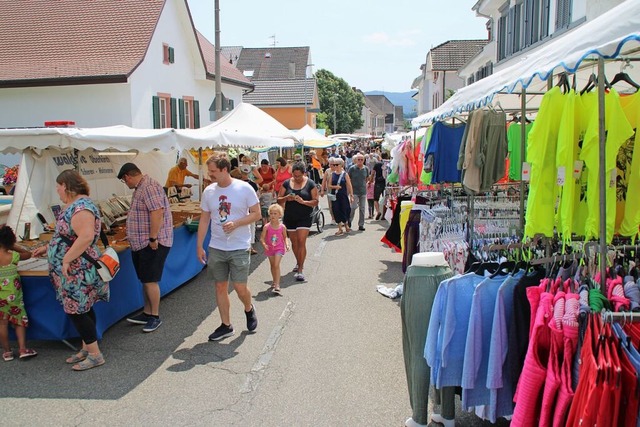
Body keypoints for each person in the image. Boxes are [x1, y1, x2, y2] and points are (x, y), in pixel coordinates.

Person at [32, 170, 109, 370]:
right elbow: (69, 237)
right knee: (84, 308)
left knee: (76, 310)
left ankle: (94, 354)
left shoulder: (81, 207)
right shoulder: (78, 206)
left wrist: (66, 259)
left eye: (58, 187)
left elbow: (85, 236)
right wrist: (49, 248)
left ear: (65, 185)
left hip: (77, 270)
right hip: (77, 269)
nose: (57, 191)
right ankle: (87, 346)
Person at [197, 156, 261, 341]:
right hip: (216, 246)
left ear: (224, 170)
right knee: (220, 286)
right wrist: (199, 245)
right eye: (209, 172)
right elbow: (204, 219)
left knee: (240, 287)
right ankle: (226, 325)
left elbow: (257, 214)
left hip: (239, 246)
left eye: (213, 171)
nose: (210, 175)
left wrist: (236, 223)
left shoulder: (244, 188)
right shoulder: (209, 192)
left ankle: (248, 308)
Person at [118, 163, 173, 333]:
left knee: (150, 280)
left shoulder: (148, 187)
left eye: (123, 180)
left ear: (127, 176)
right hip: (141, 242)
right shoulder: (142, 187)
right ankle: (147, 312)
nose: (125, 184)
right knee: (146, 280)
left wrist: (153, 237)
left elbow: (157, 212)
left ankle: (154, 316)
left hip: (150, 242)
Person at [277, 161, 319, 281]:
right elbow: (279, 200)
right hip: (290, 217)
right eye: (294, 176)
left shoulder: (310, 184)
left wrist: (303, 202)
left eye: (299, 176)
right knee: (295, 243)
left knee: (301, 241)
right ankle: (298, 261)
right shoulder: (286, 183)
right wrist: (286, 198)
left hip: (305, 216)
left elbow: (315, 201)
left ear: (304, 173)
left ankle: (300, 269)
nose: (297, 178)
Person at [0, 226, 36, 361]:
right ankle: (22, 349)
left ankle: (7, 352)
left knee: (1, 323)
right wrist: (14, 246)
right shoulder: (13, 256)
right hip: (14, 296)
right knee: (19, 321)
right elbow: (29, 253)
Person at [259, 204, 289, 295]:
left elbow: (285, 237)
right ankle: (274, 280)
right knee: (272, 266)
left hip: (279, 248)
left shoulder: (282, 227)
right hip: (270, 248)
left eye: (275, 213)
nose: (272, 215)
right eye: (271, 213)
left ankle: (277, 284)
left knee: (276, 264)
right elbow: (262, 238)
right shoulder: (266, 226)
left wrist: (287, 245)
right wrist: (264, 245)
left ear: (280, 215)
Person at [328, 158, 353, 236]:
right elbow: (329, 185)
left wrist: (351, 195)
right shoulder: (332, 174)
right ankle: (340, 228)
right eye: (333, 165)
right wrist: (335, 187)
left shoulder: (345, 174)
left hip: (343, 196)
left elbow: (349, 185)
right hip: (335, 196)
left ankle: (346, 225)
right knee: (336, 210)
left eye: (336, 165)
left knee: (345, 210)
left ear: (341, 165)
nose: (334, 166)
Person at [239, 165, 260, 255]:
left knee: (244, 226)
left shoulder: (237, 184)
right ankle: (250, 246)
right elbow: (256, 197)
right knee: (251, 227)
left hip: (242, 208)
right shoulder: (253, 184)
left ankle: (245, 245)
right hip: (250, 208)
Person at [348, 153, 369, 231]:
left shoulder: (366, 169)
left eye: (361, 160)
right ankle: (349, 220)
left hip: (363, 191)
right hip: (354, 191)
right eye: (358, 159)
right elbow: (348, 179)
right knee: (353, 207)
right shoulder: (352, 169)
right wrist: (350, 192)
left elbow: (367, 178)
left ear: (364, 160)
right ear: (356, 160)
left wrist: (366, 185)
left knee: (362, 208)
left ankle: (361, 225)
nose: (360, 161)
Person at [320, 158, 337, 225]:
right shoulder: (327, 171)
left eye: (333, 164)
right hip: (330, 191)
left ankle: (338, 217)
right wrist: (322, 190)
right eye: (330, 164)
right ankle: (333, 218)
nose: (331, 165)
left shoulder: (338, 170)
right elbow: (324, 181)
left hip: (337, 190)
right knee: (331, 205)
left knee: (338, 204)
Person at [372, 154, 387, 220]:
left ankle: (378, 211)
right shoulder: (389, 163)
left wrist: (370, 180)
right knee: (385, 199)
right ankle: (384, 214)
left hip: (378, 183)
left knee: (375, 199)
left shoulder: (377, 164)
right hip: (386, 183)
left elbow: (372, 173)